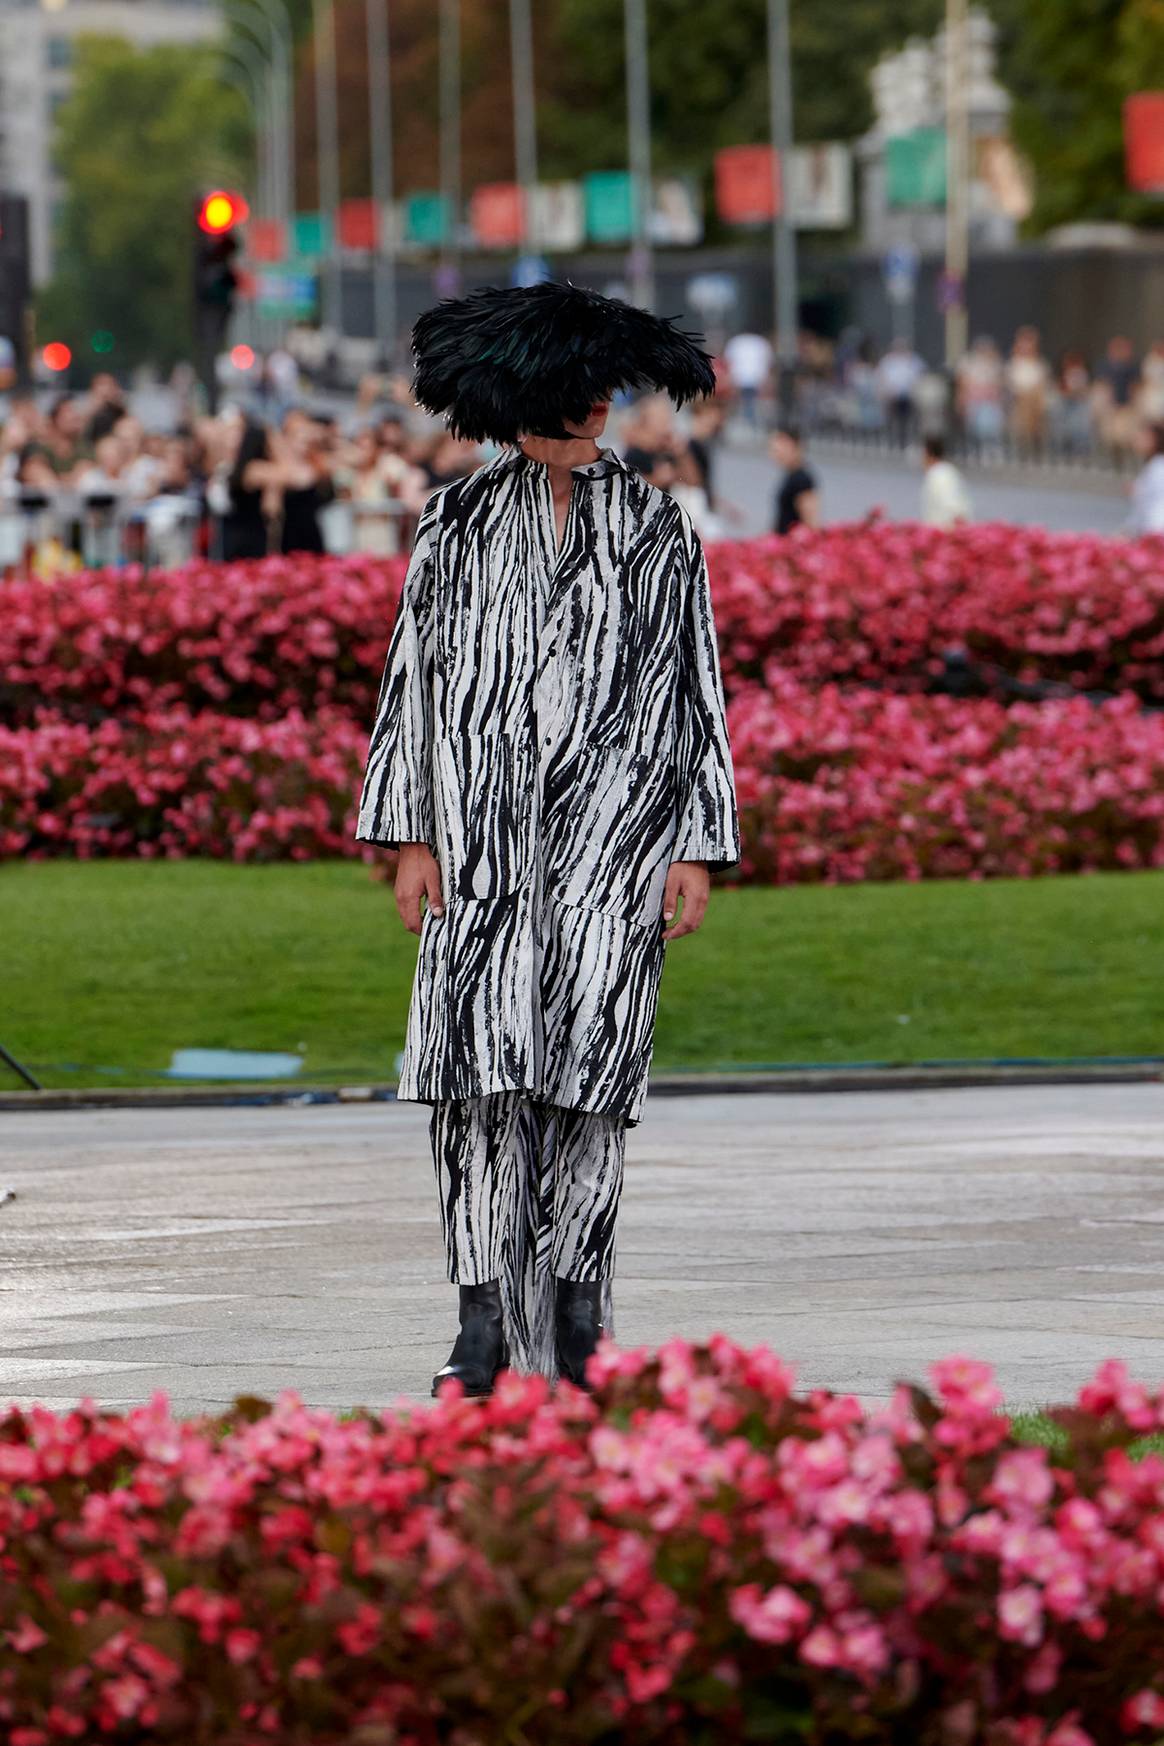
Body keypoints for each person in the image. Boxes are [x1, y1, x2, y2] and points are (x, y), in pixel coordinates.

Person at [356, 281, 739, 1397]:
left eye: (604, 397)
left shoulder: (658, 525)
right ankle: (479, 1327)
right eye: (577, 399)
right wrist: (409, 832)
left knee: (592, 1080)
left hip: (615, 846)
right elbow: (411, 685)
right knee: (478, 1085)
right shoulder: (455, 524)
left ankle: (578, 1319)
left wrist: (696, 842)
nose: (596, 416)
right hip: (479, 846)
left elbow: (695, 691)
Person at [770, 423, 819, 534]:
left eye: (780, 449)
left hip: (792, 544)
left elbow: (811, 523)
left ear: (795, 447)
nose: (775, 455)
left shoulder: (803, 479)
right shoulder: (791, 476)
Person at [723, 329, 772, 429]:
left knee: (748, 401)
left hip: (742, 377)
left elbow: (728, 359)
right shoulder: (760, 341)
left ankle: (748, 420)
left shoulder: (736, 341)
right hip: (753, 377)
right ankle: (748, 420)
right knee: (747, 401)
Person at [920, 435, 972, 528]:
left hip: (943, 531)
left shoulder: (938, 474)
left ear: (928, 454)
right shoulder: (948, 470)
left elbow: (951, 505)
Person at [1131, 422, 1164, 535]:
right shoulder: (1153, 465)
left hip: (1154, 529)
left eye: (1144, 436)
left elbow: (1152, 503)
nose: (1138, 438)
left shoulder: (1158, 467)